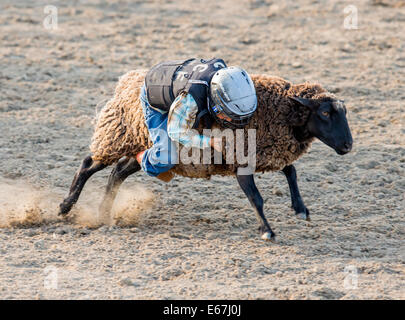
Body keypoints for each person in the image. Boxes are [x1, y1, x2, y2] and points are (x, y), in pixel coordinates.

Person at [136, 58, 257, 182]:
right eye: (226, 114)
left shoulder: (225, 75)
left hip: (177, 76)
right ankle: (145, 160)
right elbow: (175, 131)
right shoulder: (189, 100)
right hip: (155, 91)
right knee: (166, 157)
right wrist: (209, 142)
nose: (230, 119)